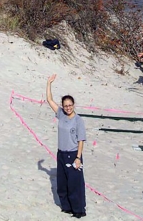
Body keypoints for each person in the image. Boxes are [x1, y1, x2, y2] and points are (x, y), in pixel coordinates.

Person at [46, 74, 86, 219]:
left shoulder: (78, 120)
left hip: (73, 153)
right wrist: (49, 83)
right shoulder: (61, 114)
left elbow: (81, 140)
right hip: (61, 154)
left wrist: (78, 158)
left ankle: (79, 210)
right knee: (62, 183)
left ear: (73, 105)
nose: (68, 107)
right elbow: (49, 100)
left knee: (75, 183)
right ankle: (67, 207)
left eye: (70, 105)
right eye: (65, 105)